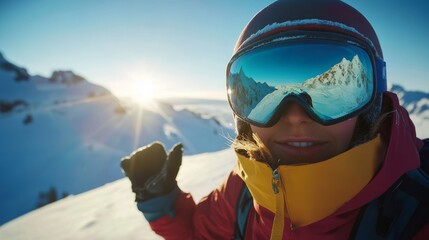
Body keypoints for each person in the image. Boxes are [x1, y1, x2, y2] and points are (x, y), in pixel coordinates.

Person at [120, 0, 429, 239]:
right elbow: (200, 233)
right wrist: (159, 198)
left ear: (371, 104)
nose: (295, 117)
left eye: (343, 91)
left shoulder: (415, 209)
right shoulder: (242, 190)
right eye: (258, 100)